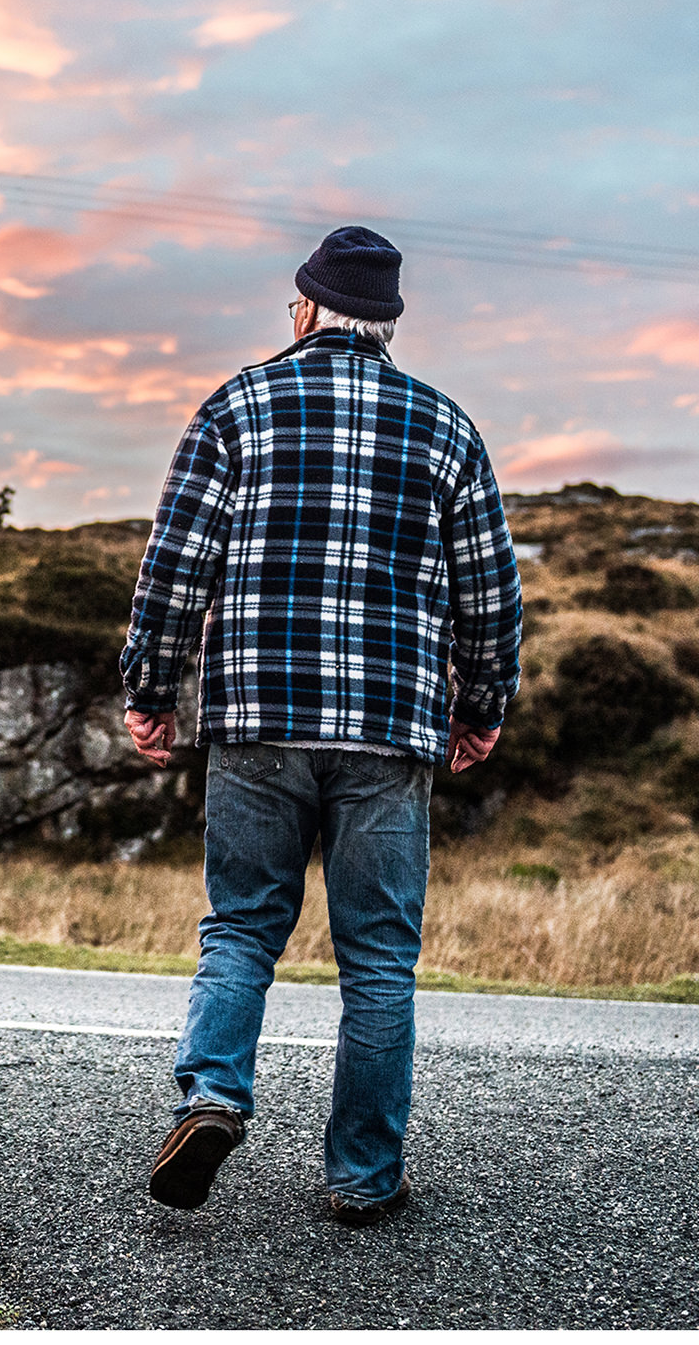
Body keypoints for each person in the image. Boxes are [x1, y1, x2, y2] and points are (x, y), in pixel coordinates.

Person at [120, 224, 522, 1226]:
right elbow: (491, 592)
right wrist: (480, 706)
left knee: (242, 924)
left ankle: (213, 1095)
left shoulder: (240, 405)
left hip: (258, 718)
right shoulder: (446, 427)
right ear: (386, 323)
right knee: (379, 954)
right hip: (388, 730)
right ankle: (361, 1175)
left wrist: (151, 688)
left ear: (303, 311)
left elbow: (175, 566)